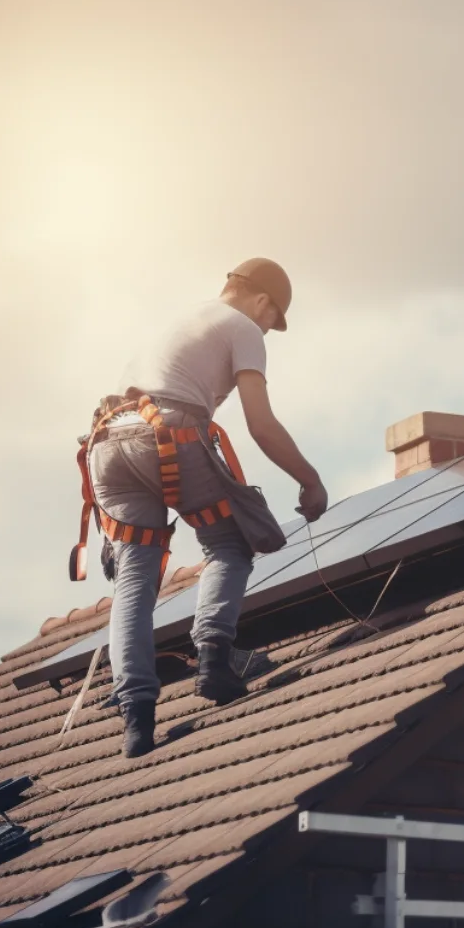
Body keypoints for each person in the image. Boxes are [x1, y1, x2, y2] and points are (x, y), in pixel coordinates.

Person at [82, 258, 329, 757]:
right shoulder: (242, 327)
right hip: (168, 435)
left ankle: (136, 716)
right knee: (229, 543)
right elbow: (261, 425)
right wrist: (309, 479)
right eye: (272, 319)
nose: (267, 328)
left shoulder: (179, 322)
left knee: (135, 577)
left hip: (108, 442)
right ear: (263, 302)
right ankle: (215, 659)